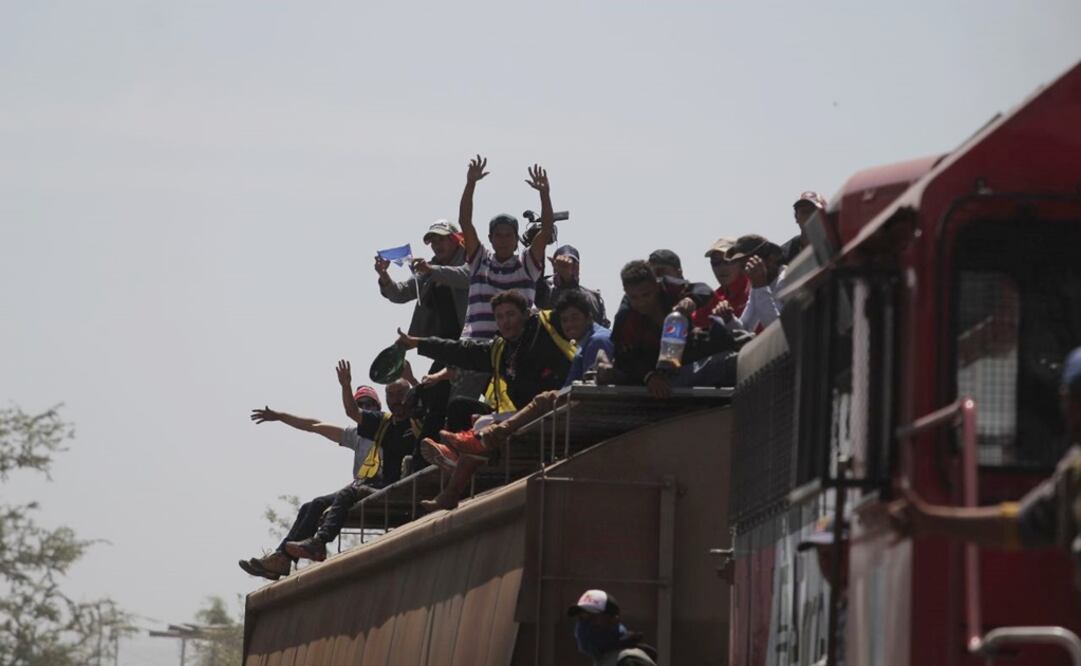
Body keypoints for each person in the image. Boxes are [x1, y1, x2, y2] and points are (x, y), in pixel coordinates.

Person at [890, 346, 1081, 584]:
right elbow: (1019, 525)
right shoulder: (1074, 473)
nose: (1073, 412)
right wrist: (930, 520)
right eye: (1072, 398)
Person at [396, 290, 576, 510]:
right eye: (499, 317)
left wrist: (565, 280)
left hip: (554, 406)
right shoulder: (501, 349)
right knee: (459, 407)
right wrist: (419, 344)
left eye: (510, 314)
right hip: (521, 414)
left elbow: (573, 310)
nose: (505, 321)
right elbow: (462, 350)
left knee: (483, 426)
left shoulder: (546, 327)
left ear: (526, 314)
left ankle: (454, 472)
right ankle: (453, 464)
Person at [239, 373, 422, 573]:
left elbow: (421, 407)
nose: (365, 408)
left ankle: (310, 547)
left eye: (369, 404)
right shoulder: (360, 434)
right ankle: (281, 558)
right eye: (361, 404)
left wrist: (412, 379)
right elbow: (314, 426)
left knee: (347, 493)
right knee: (314, 504)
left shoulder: (393, 424)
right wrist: (280, 417)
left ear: (378, 407)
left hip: (379, 484)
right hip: (363, 484)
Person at [609, 260, 746, 398]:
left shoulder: (669, 287)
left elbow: (703, 289)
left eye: (646, 295)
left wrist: (692, 300)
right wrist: (649, 377)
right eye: (634, 297)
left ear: (656, 285)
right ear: (626, 292)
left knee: (724, 340)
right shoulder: (625, 316)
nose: (641, 302)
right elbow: (624, 358)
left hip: (688, 352)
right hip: (655, 371)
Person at [456, 155, 556, 341]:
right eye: (498, 235)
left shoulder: (526, 264)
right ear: (490, 239)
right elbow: (465, 222)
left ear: (517, 239)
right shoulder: (480, 260)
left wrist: (545, 194)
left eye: (508, 235)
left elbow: (547, 229)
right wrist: (470, 184)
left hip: (517, 353)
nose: (503, 240)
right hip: (477, 351)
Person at [714, 235, 787, 334]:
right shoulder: (757, 286)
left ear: (770, 259)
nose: (748, 272)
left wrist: (761, 286)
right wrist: (729, 319)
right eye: (743, 267)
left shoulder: (788, 279)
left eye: (751, 264)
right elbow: (746, 328)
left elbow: (778, 331)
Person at [567, 589, 658, 665]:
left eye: (591, 617)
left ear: (613, 620)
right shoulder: (607, 659)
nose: (584, 625)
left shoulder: (629, 661)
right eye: (580, 618)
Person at [535, 244, 610, 328]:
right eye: (563, 265)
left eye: (574, 265)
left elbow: (602, 329)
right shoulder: (546, 292)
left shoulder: (594, 297)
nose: (570, 269)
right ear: (555, 267)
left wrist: (569, 279)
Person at [692, 237, 750, 329]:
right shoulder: (713, 297)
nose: (721, 267)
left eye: (727, 260)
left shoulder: (754, 288)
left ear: (741, 262)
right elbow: (693, 323)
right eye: (715, 262)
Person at [780, 191, 828, 265]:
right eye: (804, 212)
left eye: (814, 211)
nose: (809, 216)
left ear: (824, 215)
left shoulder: (837, 245)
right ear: (796, 217)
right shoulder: (785, 253)